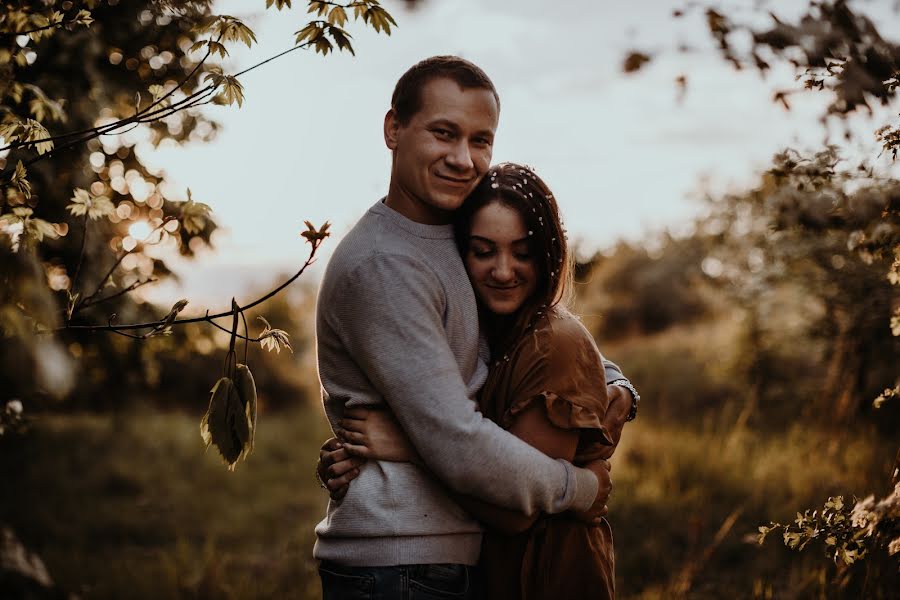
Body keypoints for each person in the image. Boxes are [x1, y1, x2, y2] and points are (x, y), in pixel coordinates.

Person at [313, 56, 638, 599]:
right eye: (444, 133)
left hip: (433, 555)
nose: (463, 159)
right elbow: (458, 444)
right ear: (394, 129)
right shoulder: (387, 265)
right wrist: (579, 488)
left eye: (480, 140)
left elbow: (514, 333)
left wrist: (616, 383)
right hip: (403, 564)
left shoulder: (450, 235)